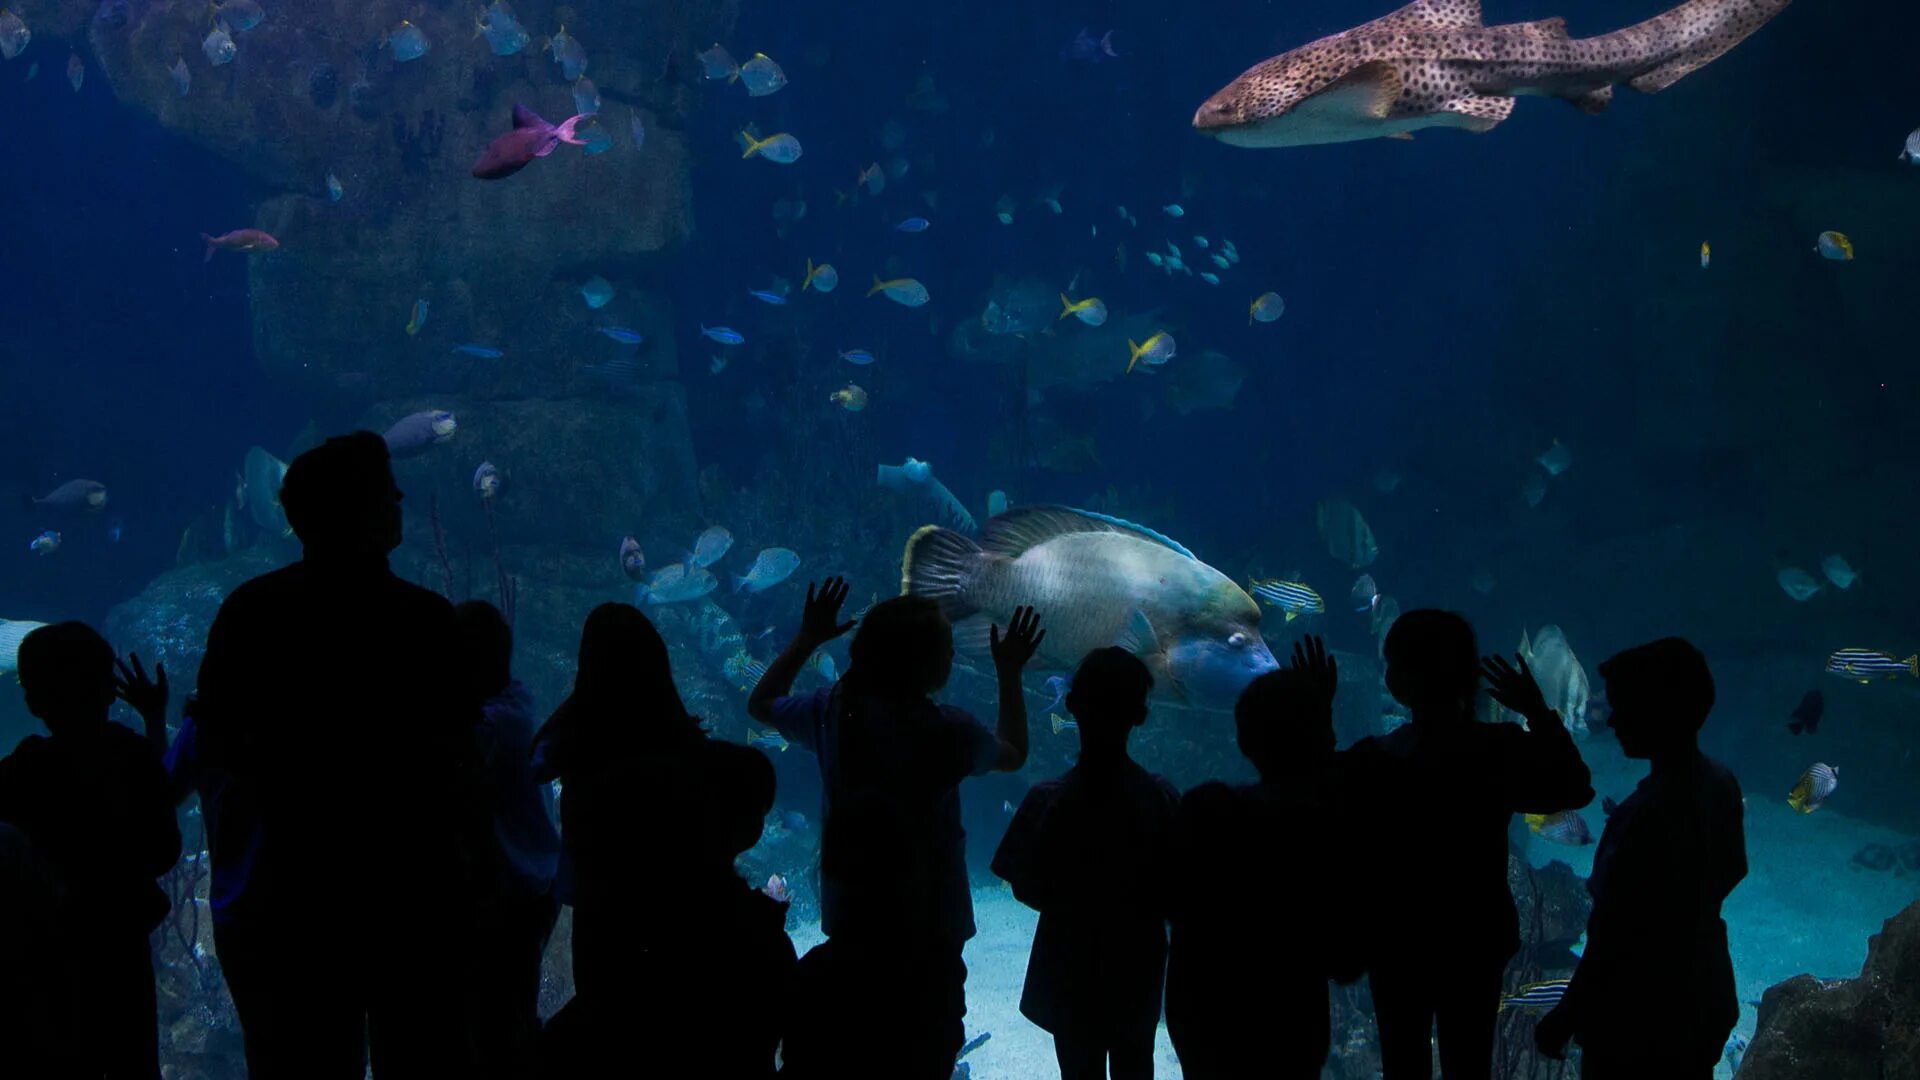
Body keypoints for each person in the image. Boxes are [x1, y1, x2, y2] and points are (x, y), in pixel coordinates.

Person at [192, 431, 481, 1077]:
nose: (401, 497)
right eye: (386, 490)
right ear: (359, 508)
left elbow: (216, 748)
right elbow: (459, 762)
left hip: (287, 898)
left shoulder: (252, 611)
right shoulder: (426, 620)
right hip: (408, 896)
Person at [748, 578, 1044, 1079]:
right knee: (924, 1049)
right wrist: (1009, 671)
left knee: (852, 1049)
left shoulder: (829, 712)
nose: (953, 659)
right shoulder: (949, 729)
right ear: (924, 664)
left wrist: (806, 639)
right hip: (932, 925)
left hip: (852, 916)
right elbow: (1013, 754)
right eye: (947, 651)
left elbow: (761, 704)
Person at [534, 602, 792, 1077]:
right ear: (659, 666)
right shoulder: (698, 764)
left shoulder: (583, 777)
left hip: (612, 960)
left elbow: (536, 759)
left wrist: (579, 707)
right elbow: (757, 779)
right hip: (706, 953)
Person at [1344, 610, 1593, 1079]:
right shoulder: (1496, 750)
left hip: (1399, 940)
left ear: (1396, 680)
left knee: (1403, 1064)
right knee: (1469, 1063)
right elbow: (1575, 787)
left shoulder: (1374, 760)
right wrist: (1539, 713)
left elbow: (1315, 794)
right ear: (1469, 677)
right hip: (1474, 937)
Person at [1533, 638, 1745, 1078]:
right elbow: (1733, 871)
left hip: (1634, 1018)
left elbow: (1612, 936)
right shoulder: (1721, 785)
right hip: (1702, 996)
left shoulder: (1643, 818)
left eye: (1623, 707)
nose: (1611, 719)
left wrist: (1566, 1014)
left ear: (1659, 714)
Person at [1166, 636, 1360, 1079]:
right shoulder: (1323, 826)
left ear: (1242, 739)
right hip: (1290, 1025)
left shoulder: (1204, 809)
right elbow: (1346, 958)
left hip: (1205, 1020)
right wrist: (1320, 713)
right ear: (1320, 737)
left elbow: (1167, 901)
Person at [0, 621, 181, 1079]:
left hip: (41, 956)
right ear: (110, 691)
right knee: (132, 1061)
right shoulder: (131, 754)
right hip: (120, 948)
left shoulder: (24, 767)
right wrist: (154, 720)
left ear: (31, 701)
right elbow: (162, 844)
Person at [992, 647, 1180, 1080]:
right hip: (1137, 967)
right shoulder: (1161, 798)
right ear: (1140, 714)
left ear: (1073, 704)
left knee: (1078, 1070)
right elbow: (1178, 890)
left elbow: (1024, 887)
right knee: (1137, 1065)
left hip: (1068, 968)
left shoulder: (1047, 799)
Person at [454, 600, 559, 1080]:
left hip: (516, 892)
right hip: (523, 886)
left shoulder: (498, 723)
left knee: (499, 1019)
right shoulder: (515, 701)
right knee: (502, 1010)